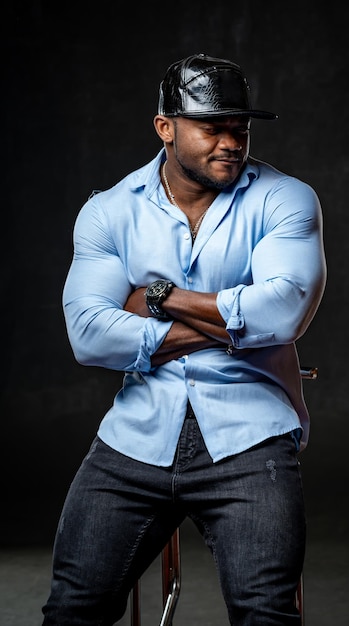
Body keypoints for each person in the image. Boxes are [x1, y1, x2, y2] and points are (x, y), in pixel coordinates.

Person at [42, 53, 326, 626]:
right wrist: (235, 327)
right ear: (165, 127)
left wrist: (157, 296)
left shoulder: (285, 199)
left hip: (252, 437)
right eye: (212, 128)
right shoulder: (108, 211)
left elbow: (284, 312)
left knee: (266, 613)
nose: (231, 143)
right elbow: (89, 334)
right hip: (135, 437)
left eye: (239, 129)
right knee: (73, 608)